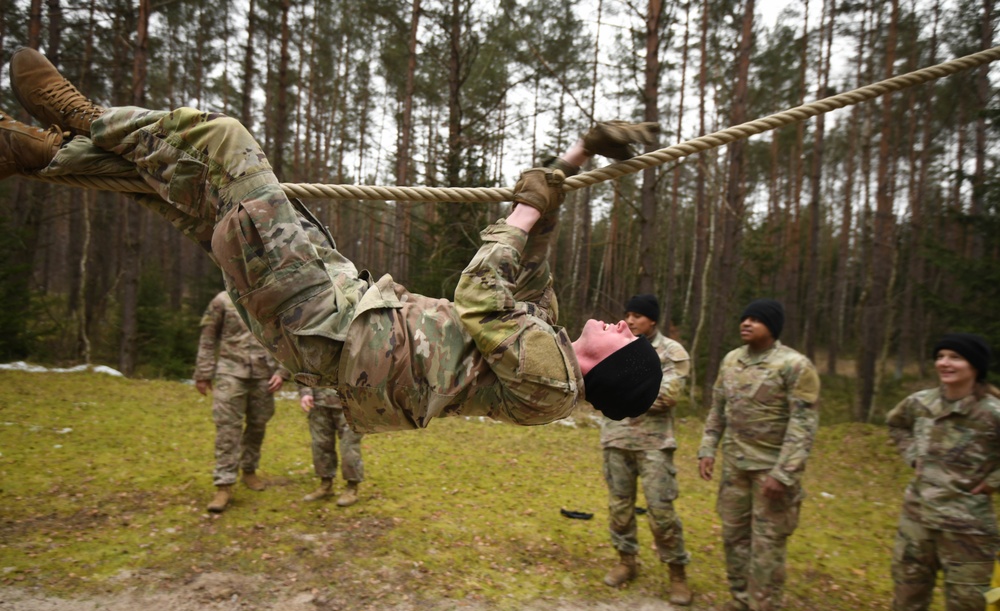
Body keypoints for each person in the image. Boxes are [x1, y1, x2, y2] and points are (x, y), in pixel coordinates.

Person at [1, 47, 664, 433]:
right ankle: (39, 157)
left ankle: (82, 117)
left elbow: (483, 290)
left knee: (222, 143)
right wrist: (575, 159)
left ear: (610, 365)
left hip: (329, 321)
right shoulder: (545, 351)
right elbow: (528, 274)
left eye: (627, 339)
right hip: (329, 320)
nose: (620, 322)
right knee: (198, 197)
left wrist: (521, 215)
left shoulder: (551, 378)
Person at [697, 298, 820, 611]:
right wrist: (707, 448)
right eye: (744, 318)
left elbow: (804, 427)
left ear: (773, 326)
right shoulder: (731, 360)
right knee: (735, 537)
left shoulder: (795, 366)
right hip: (735, 467)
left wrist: (783, 474)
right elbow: (718, 409)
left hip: (772, 473)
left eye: (756, 319)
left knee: (767, 547)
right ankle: (740, 601)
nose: (746, 323)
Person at [886, 334, 1000, 611]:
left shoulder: (991, 412)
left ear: (975, 367)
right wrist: (912, 456)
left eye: (955, 358)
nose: (945, 364)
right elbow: (896, 424)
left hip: (968, 531)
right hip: (916, 520)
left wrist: (992, 482)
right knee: (908, 599)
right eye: (941, 356)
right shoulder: (921, 402)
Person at [599, 294, 693, 606]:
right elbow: (595, 385)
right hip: (616, 440)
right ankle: (627, 561)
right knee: (619, 508)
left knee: (661, 512)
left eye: (639, 315)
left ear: (653, 320)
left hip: (654, 445)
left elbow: (667, 396)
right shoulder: (612, 345)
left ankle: (677, 573)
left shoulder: (672, 351)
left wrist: (618, 393)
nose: (632, 319)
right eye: (628, 313)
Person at [195, 290, 289, 513]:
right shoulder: (221, 300)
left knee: (258, 425)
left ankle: (249, 470)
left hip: (264, 374)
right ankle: (224, 484)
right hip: (231, 372)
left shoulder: (272, 299)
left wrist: (283, 371)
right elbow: (208, 336)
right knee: (228, 428)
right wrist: (203, 372)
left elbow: (286, 337)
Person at [299, 385, 365, 506]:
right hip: (319, 402)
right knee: (320, 444)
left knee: (348, 446)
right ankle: (326, 485)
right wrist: (305, 392)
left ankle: (352, 488)